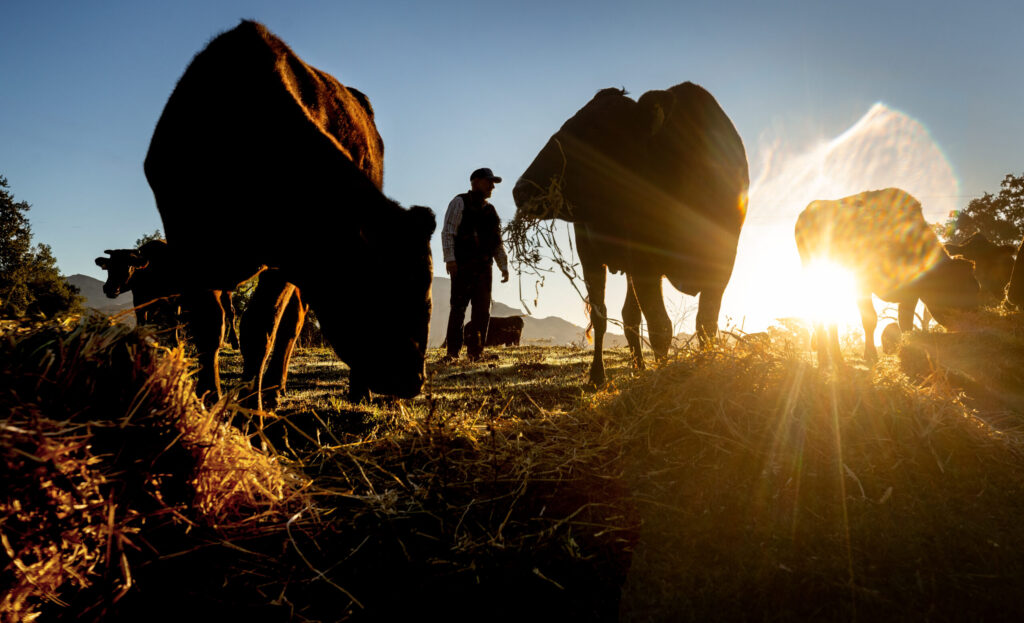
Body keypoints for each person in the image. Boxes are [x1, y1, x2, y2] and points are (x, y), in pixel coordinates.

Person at [441, 167, 510, 361]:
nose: (492, 187)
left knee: (482, 311)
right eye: (489, 182)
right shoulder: (459, 202)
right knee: (458, 309)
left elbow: (497, 241)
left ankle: (475, 353)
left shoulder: (490, 210)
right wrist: (450, 259)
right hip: (462, 266)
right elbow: (448, 232)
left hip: (484, 268)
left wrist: (503, 266)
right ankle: (452, 353)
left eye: (493, 183)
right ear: (476, 182)